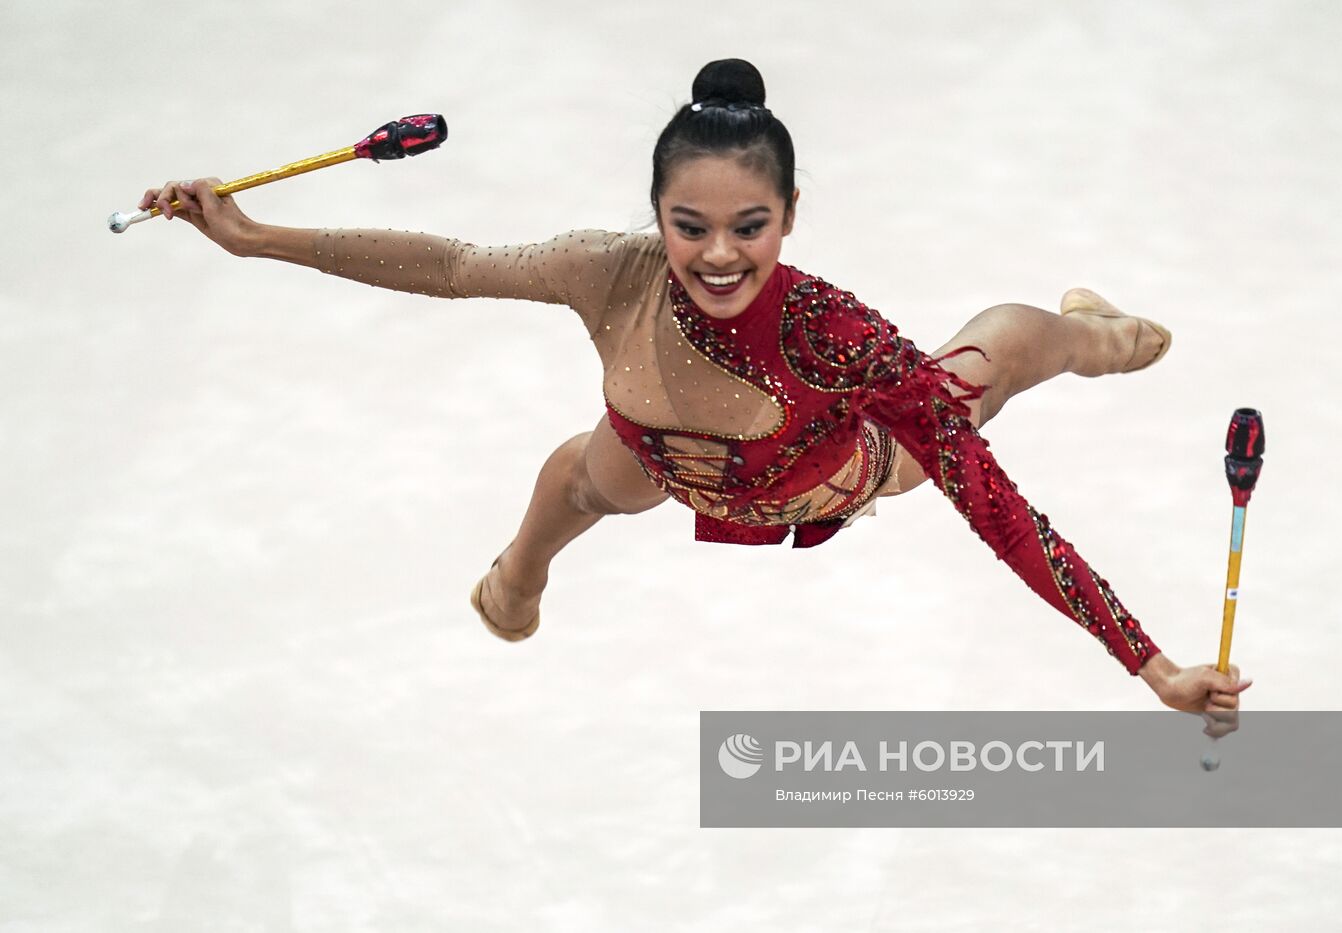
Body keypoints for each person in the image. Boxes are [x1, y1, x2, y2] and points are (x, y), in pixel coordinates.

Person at [138, 58, 1250, 718]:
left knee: (985, 367)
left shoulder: (832, 333)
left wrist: (1147, 665)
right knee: (592, 473)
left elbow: (999, 512)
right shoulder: (607, 271)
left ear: (790, 217)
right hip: (662, 451)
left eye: (748, 228)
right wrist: (253, 238)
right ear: (655, 214)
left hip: (828, 470)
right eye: (690, 226)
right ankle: (515, 576)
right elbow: (448, 264)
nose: (718, 255)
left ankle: (1089, 329)